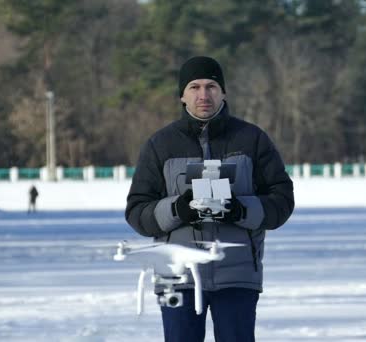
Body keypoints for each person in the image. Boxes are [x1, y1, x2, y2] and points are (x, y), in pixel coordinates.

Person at [125, 56, 294, 341]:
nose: (204, 95)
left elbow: (282, 201)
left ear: (224, 92)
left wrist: (241, 210)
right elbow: (137, 212)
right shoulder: (159, 145)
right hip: (178, 277)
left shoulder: (252, 139)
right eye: (194, 87)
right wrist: (178, 208)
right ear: (182, 95)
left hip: (237, 276)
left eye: (212, 86)